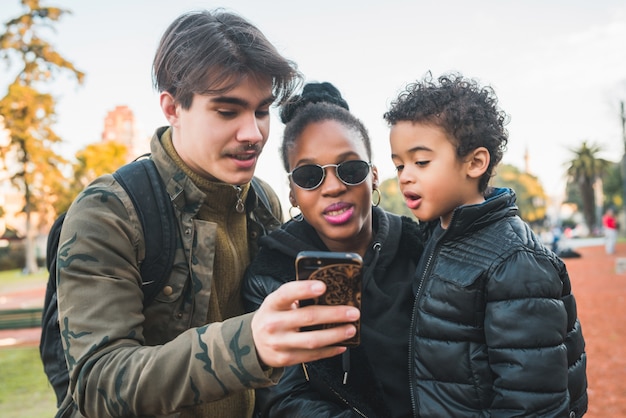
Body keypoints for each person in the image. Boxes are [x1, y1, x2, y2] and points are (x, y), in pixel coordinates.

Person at [55, 10, 360, 418]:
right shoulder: (110, 211)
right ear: (172, 108)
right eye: (227, 111)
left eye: (262, 110)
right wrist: (247, 345)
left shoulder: (262, 202)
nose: (253, 133)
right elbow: (99, 383)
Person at [384, 73, 588, 417]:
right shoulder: (436, 236)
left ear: (476, 163)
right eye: (399, 164)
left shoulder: (515, 261)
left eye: (421, 162)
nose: (405, 175)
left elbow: (533, 403)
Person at [242, 82, 424, 417]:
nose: (334, 187)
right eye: (310, 175)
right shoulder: (270, 277)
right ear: (293, 193)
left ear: (373, 176)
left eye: (350, 169)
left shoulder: (421, 247)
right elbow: (284, 399)